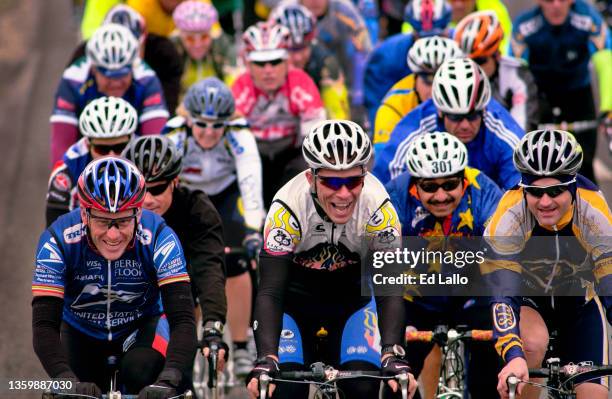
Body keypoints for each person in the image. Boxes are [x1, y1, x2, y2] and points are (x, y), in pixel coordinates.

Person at [246, 119, 417, 399]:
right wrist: (266, 357)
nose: (344, 194)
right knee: (285, 392)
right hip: (293, 305)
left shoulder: (379, 208)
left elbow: (389, 289)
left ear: (364, 175)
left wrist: (392, 352)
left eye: (353, 181)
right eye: (332, 182)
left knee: (363, 387)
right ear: (311, 177)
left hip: (351, 305)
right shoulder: (286, 209)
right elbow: (270, 291)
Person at [32, 156, 197, 398]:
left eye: (122, 221)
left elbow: (182, 318)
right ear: (85, 215)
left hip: (141, 327)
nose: (113, 234)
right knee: (74, 388)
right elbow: (44, 324)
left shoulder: (160, 235)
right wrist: (64, 380)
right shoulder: (57, 239)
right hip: (80, 331)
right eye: (102, 221)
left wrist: (168, 380)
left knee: (143, 372)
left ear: (138, 214)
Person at [484, 129, 611, 399]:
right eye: (534, 192)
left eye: (555, 191)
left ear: (572, 186)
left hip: (579, 305)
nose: (545, 202)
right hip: (530, 303)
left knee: (594, 395)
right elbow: (503, 294)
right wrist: (513, 354)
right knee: (530, 346)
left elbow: (609, 283)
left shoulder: (594, 211)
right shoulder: (509, 215)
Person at [386, 131, 506, 399]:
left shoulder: (483, 191)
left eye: (450, 185)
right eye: (430, 187)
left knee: (488, 375)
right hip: (417, 297)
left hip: (471, 292)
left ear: (463, 181)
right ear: (415, 185)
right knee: (396, 381)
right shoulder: (394, 197)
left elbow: (502, 256)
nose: (441, 196)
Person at [164, 77, 266, 377]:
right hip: (187, 197)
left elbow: (250, 180)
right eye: (202, 124)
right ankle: (181, 343)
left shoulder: (239, 133)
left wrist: (253, 230)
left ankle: (242, 345)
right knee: (185, 268)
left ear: (227, 122)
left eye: (216, 125)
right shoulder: (174, 133)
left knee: (236, 263)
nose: (209, 132)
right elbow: (163, 181)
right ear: (188, 119)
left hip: (225, 196)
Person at [123, 135, 229, 373]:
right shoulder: (115, 210)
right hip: (125, 299)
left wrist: (213, 326)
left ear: (175, 181)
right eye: (139, 191)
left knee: (167, 371)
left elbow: (209, 268)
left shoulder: (197, 209)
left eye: (157, 189)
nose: (147, 200)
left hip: (175, 299)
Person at [373, 58, 524, 190]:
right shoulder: (414, 129)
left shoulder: (503, 132)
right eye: (455, 117)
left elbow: (522, 190)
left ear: (483, 110)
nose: (465, 125)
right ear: (440, 111)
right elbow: (387, 188)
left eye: (472, 116)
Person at [510, 0, 612, 183]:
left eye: (562, 0)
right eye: (549, 1)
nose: (556, 5)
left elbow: (606, 63)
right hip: (540, 96)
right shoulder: (524, 26)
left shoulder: (588, 18)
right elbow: (515, 74)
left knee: (584, 167)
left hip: (578, 94)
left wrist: (608, 108)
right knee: (538, 166)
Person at [232, 21, 325, 206]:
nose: (268, 70)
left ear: (287, 62)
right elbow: (230, 141)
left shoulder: (301, 82)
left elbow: (316, 139)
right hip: (253, 156)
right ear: (248, 64)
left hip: (289, 156)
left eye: (275, 62)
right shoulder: (240, 86)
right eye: (260, 63)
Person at [50, 23, 169, 165]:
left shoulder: (146, 78)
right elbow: (61, 144)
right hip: (90, 154)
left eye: (122, 75)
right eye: (108, 76)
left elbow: (156, 143)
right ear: (93, 69)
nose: (116, 83)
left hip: (131, 153)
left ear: (133, 66)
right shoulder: (73, 79)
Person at [71, 4, 183, 116]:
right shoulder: (82, 58)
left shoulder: (164, 55)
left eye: (133, 51)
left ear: (144, 40)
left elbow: (167, 111)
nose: (116, 80)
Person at [46, 96, 137, 226]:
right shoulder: (68, 169)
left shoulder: (143, 156)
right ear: (88, 144)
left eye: (119, 148)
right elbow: (55, 231)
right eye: (102, 149)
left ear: (131, 140)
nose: (111, 156)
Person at [364, 0, 452, 125]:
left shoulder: (463, 46)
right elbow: (377, 106)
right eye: (422, 39)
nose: (431, 46)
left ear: (448, 32)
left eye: (438, 37)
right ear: (413, 33)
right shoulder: (386, 56)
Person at [278, 0, 373, 114]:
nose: (315, 2)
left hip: (331, 64)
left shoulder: (343, 9)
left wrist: (358, 94)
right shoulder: (282, 12)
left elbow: (365, 50)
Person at [373, 36, 464, 154]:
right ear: (415, 79)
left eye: (444, 82)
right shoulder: (393, 105)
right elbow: (383, 162)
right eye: (428, 82)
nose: (435, 91)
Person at [454, 10, 539, 131]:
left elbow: (522, 128)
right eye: (466, 61)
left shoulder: (516, 74)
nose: (472, 68)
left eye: (480, 61)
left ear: (497, 55)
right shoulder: (452, 72)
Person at [270, 3, 350, 119]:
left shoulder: (326, 63)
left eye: (303, 47)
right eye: (290, 50)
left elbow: (338, 115)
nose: (298, 57)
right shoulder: (260, 64)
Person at [171, 0, 238, 102]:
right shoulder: (171, 47)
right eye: (190, 39)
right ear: (180, 36)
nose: (198, 45)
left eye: (204, 37)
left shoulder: (221, 44)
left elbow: (234, 82)